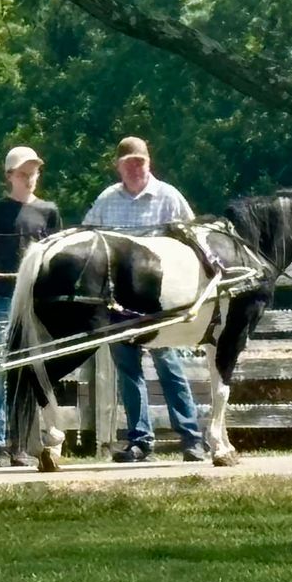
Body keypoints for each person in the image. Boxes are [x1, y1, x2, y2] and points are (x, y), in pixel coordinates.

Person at [83, 136, 208, 463]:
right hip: (120, 304)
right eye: (129, 163)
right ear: (119, 166)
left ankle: (191, 439)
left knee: (170, 366)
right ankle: (140, 442)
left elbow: (195, 241)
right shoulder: (107, 201)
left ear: (149, 163)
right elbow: (88, 243)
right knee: (128, 371)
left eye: (140, 162)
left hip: (162, 302)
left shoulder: (169, 198)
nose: (135, 168)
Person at [0, 146, 62, 467]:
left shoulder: (49, 212)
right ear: (10, 176)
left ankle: (23, 445)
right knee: (0, 369)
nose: (30, 180)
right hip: (2, 298)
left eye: (34, 174)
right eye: (23, 174)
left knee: (31, 371)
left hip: (35, 303)